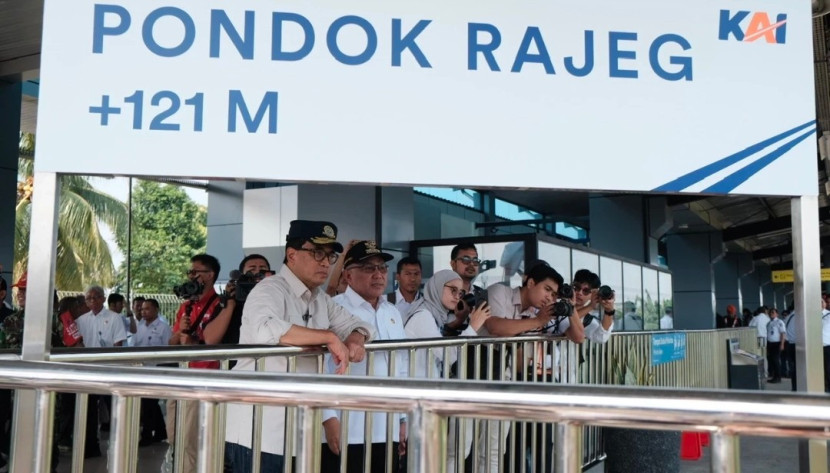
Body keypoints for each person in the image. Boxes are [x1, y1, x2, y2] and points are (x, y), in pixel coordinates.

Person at [225, 221, 374, 473]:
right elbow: (265, 328)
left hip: (299, 429)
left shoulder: (320, 300)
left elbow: (358, 324)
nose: (326, 262)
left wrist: (356, 339)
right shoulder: (269, 289)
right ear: (291, 255)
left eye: (330, 255)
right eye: (317, 253)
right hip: (260, 429)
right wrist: (327, 337)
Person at [322, 241, 407, 473]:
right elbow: (319, 367)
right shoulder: (333, 309)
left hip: (386, 424)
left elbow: (400, 368)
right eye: (369, 268)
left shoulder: (392, 312)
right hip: (348, 426)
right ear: (348, 276)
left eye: (382, 268)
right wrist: (328, 417)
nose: (378, 275)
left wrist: (402, 419)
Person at [403, 269, 490, 472]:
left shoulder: (432, 314)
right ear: (435, 288)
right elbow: (447, 355)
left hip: (424, 396)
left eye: (460, 293)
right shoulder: (423, 316)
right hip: (417, 397)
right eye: (452, 290)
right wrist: (473, 327)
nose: (457, 296)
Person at [167, 254, 224, 473]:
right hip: (182, 380)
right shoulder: (186, 306)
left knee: (190, 441)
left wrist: (190, 338)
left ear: (210, 275)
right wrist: (182, 330)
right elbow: (172, 342)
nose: (191, 276)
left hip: (206, 380)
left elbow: (209, 342)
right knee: (174, 436)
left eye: (195, 272)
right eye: (189, 272)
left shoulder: (221, 305)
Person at [77, 285, 128, 458]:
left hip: (108, 370)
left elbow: (118, 344)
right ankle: (90, 445)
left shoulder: (115, 318)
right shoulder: (81, 320)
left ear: (103, 299)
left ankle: (120, 445)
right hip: (88, 371)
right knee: (89, 409)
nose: (92, 301)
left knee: (114, 408)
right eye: (88, 298)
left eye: (95, 297)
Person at [203, 254, 272, 346]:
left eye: (262, 269)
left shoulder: (277, 296)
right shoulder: (232, 300)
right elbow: (210, 339)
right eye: (252, 270)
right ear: (241, 276)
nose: (258, 272)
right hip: (239, 359)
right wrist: (230, 303)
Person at [134, 298, 172, 446]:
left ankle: (147, 435)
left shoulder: (163, 327)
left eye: (147, 309)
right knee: (149, 402)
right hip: (143, 369)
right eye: (142, 309)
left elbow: (168, 350)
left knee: (150, 402)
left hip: (157, 369)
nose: (143, 311)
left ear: (156, 309)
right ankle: (161, 431)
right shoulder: (140, 326)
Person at [766, 308, 786, 384]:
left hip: (777, 343)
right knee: (772, 361)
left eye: (773, 312)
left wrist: (782, 344)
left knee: (776, 360)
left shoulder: (779, 322)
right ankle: (774, 376)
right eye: (770, 312)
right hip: (770, 343)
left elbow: (782, 333)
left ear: (777, 314)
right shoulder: (769, 323)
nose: (771, 313)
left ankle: (778, 377)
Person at [784, 306, 798, 391]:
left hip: (790, 345)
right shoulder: (800, 316)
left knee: (793, 368)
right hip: (799, 345)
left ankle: (794, 387)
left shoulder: (789, 317)